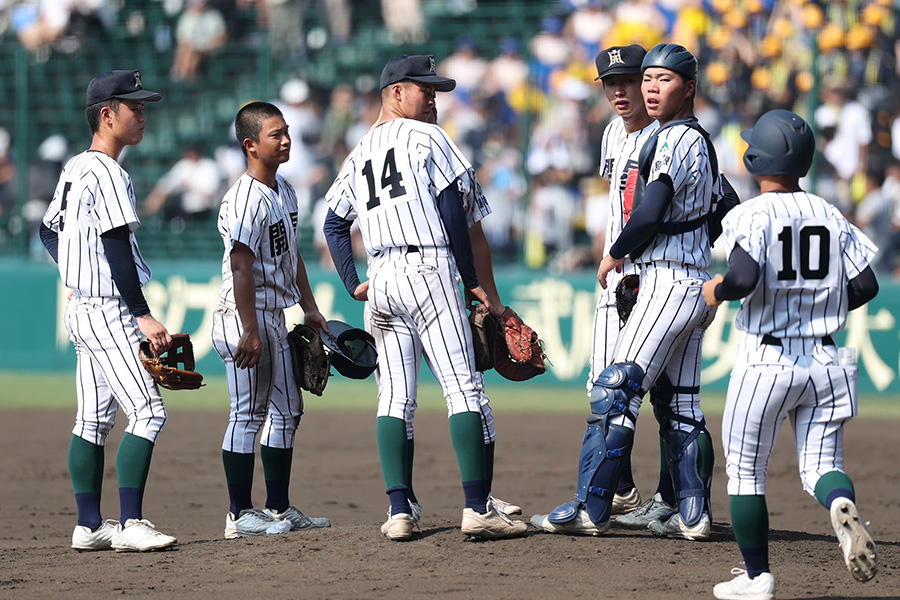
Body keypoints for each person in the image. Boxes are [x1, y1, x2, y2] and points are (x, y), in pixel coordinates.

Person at [323, 55, 527, 541]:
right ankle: (477, 507)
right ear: (395, 93)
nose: (434, 98)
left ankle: (399, 510)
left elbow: (333, 222)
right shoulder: (429, 137)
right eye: (425, 89)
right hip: (429, 265)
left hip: (383, 276)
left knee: (395, 396)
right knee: (464, 388)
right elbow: (453, 211)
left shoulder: (359, 152)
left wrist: (353, 281)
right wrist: (471, 278)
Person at [531, 43, 720, 540]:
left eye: (654, 79)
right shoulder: (654, 135)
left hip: (657, 275)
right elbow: (717, 208)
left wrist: (617, 251)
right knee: (681, 403)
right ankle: (690, 514)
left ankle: (591, 509)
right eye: (645, 80)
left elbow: (655, 210)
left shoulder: (673, 138)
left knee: (617, 391)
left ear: (687, 85)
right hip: (676, 280)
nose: (637, 89)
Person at [703, 109, 879, 600]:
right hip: (827, 361)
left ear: (754, 156)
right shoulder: (830, 211)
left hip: (768, 361)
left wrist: (713, 291)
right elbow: (865, 283)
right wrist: (816, 302)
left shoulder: (750, 214)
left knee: (744, 471)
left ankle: (756, 577)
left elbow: (740, 279)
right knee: (821, 467)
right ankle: (840, 503)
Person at [39, 69, 177, 552]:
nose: (142, 114)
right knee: (147, 412)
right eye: (133, 107)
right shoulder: (109, 171)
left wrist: (71, 274)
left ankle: (89, 525)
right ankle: (132, 524)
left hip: (83, 308)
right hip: (110, 310)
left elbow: (47, 231)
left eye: (142, 107)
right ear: (106, 114)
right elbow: (116, 245)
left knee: (93, 420)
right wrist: (143, 315)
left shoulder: (76, 167)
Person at [211, 101, 332, 539]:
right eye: (275, 135)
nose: (285, 141)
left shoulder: (285, 191)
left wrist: (310, 307)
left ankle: (278, 508)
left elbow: (292, 255)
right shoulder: (243, 199)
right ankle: (239, 514)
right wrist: (249, 330)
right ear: (250, 145)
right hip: (243, 316)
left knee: (288, 410)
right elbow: (241, 268)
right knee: (247, 414)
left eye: (287, 132)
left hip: (273, 314)